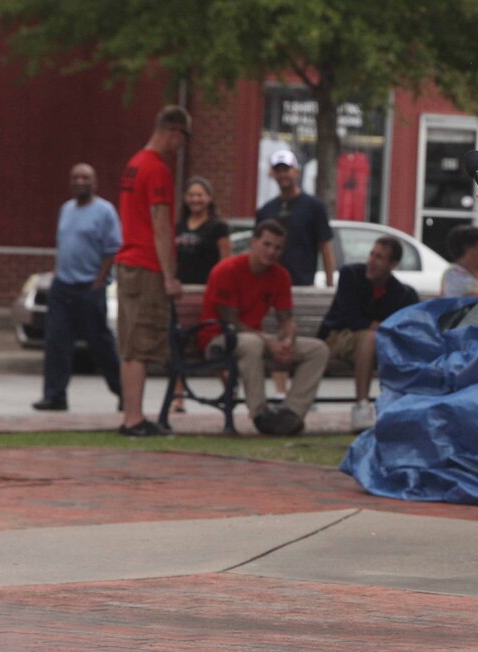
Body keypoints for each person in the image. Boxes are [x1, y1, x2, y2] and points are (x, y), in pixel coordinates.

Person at [199, 219, 329, 435]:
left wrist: (287, 338)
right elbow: (230, 321)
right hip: (218, 337)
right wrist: (269, 342)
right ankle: (260, 415)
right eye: (266, 245)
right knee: (251, 344)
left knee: (318, 350)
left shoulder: (280, 275)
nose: (271, 252)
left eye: (277, 247)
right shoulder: (227, 269)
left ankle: (291, 414)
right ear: (254, 242)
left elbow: (285, 318)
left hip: (254, 339)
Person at [115, 105, 191, 437]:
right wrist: (170, 276)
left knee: (130, 342)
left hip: (129, 261)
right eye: (184, 137)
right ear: (173, 130)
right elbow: (161, 224)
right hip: (146, 265)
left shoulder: (134, 164)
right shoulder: (157, 169)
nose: (182, 145)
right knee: (141, 342)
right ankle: (134, 419)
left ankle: (132, 415)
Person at [33, 163, 123, 412]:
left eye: (85, 177)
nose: (80, 181)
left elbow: (112, 249)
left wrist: (98, 281)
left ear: (94, 182)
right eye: (75, 177)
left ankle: (124, 392)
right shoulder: (66, 209)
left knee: (100, 343)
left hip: (89, 287)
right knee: (56, 342)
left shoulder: (105, 211)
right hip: (62, 286)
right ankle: (55, 396)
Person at [316, 236, 419, 431]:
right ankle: (361, 406)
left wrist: (382, 329)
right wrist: (380, 327)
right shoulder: (351, 275)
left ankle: (404, 410)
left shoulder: (403, 293)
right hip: (339, 336)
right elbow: (348, 316)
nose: (371, 261)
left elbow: (407, 327)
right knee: (371, 338)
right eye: (372, 254)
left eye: (379, 257)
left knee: (405, 345)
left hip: (380, 345)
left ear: (393, 264)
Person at [256, 149, 335, 398]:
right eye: (278, 170)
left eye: (287, 169)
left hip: (300, 283)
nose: (283, 175)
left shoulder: (313, 206)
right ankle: (280, 392)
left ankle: (300, 392)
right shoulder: (266, 209)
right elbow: (257, 246)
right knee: (276, 334)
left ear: (296, 172)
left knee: (298, 336)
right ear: (272, 174)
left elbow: (325, 245)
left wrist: (330, 282)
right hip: (268, 285)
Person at [171, 176, 232, 412]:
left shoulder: (218, 227)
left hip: (208, 294)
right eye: (191, 195)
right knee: (180, 344)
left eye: (200, 194)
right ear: (185, 199)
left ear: (209, 198)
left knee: (210, 343)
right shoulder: (178, 226)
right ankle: (178, 396)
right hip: (183, 295)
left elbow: (226, 261)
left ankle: (229, 389)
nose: (195, 199)